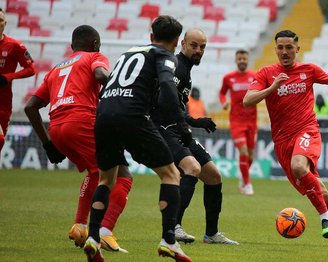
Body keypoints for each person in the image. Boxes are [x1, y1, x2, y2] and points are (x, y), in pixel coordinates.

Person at [243, 30, 328, 248]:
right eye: (280, 47)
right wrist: (273, 87)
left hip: (307, 131)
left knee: (299, 166)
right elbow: (247, 101)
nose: (284, 52)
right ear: (275, 49)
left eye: (289, 47)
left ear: (298, 49)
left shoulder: (309, 70)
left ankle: (325, 219)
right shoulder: (267, 73)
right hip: (282, 142)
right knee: (320, 192)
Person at [82, 16, 192, 262]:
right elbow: (166, 84)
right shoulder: (164, 55)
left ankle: (92, 238)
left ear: (151, 35)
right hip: (132, 116)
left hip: (103, 115)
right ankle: (169, 241)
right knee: (171, 174)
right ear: (176, 42)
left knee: (106, 179)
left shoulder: (128, 53)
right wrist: (182, 124)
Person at [24, 25, 133, 253]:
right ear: (95, 44)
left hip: (57, 129)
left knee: (95, 173)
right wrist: (119, 88)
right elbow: (101, 74)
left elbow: (31, 107)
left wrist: (47, 144)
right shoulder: (95, 56)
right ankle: (104, 232)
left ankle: (80, 226)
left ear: (72, 46)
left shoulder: (55, 69)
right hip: (82, 121)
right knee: (123, 175)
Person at [151, 28, 238, 245]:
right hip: (163, 129)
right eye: (194, 45)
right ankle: (174, 226)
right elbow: (163, 102)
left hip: (178, 128)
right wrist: (192, 121)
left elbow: (176, 103)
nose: (198, 50)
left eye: (202, 47)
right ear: (182, 44)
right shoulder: (176, 66)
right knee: (191, 168)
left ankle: (211, 234)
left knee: (213, 176)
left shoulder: (186, 69)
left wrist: (192, 120)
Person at [219, 49, 257, 196]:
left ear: (247, 60)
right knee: (243, 151)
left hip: (252, 121)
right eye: (239, 59)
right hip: (236, 121)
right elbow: (222, 93)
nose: (242, 61)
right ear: (236, 60)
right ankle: (247, 184)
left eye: (244, 59)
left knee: (251, 156)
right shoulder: (229, 78)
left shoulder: (254, 76)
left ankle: (243, 176)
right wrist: (224, 102)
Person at [0, 8, 35, 156]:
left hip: (4, 101)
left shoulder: (14, 46)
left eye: (0, 20)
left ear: (5, 23)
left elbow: (31, 69)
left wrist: (10, 77)